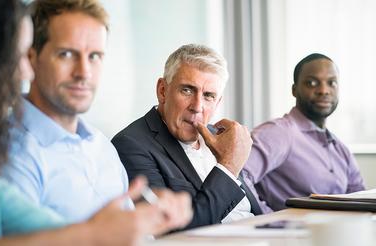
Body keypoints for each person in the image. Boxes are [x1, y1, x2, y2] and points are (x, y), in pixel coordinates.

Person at [0, 0, 191, 244]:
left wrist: (142, 220)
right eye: (65, 54)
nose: (25, 72)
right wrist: (96, 234)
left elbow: (62, 232)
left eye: (95, 56)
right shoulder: (1, 149)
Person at [1, 0, 146, 223]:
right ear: (31, 58)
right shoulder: (11, 151)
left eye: (94, 56)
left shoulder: (102, 147)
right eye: (67, 54)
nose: (84, 73)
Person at [111, 44, 263, 229]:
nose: (197, 106)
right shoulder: (131, 145)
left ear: (217, 103)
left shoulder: (222, 139)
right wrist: (229, 166)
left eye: (208, 96)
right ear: (162, 91)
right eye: (187, 90)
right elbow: (174, 230)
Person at [242, 53, 366, 212]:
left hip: (336, 232)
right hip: (293, 234)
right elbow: (239, 176)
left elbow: (361, 200)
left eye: (331, 83)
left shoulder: (340, 149)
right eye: (312, 83)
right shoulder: (279, 133)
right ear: (294, 90)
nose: (323, 90)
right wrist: (269, 218)